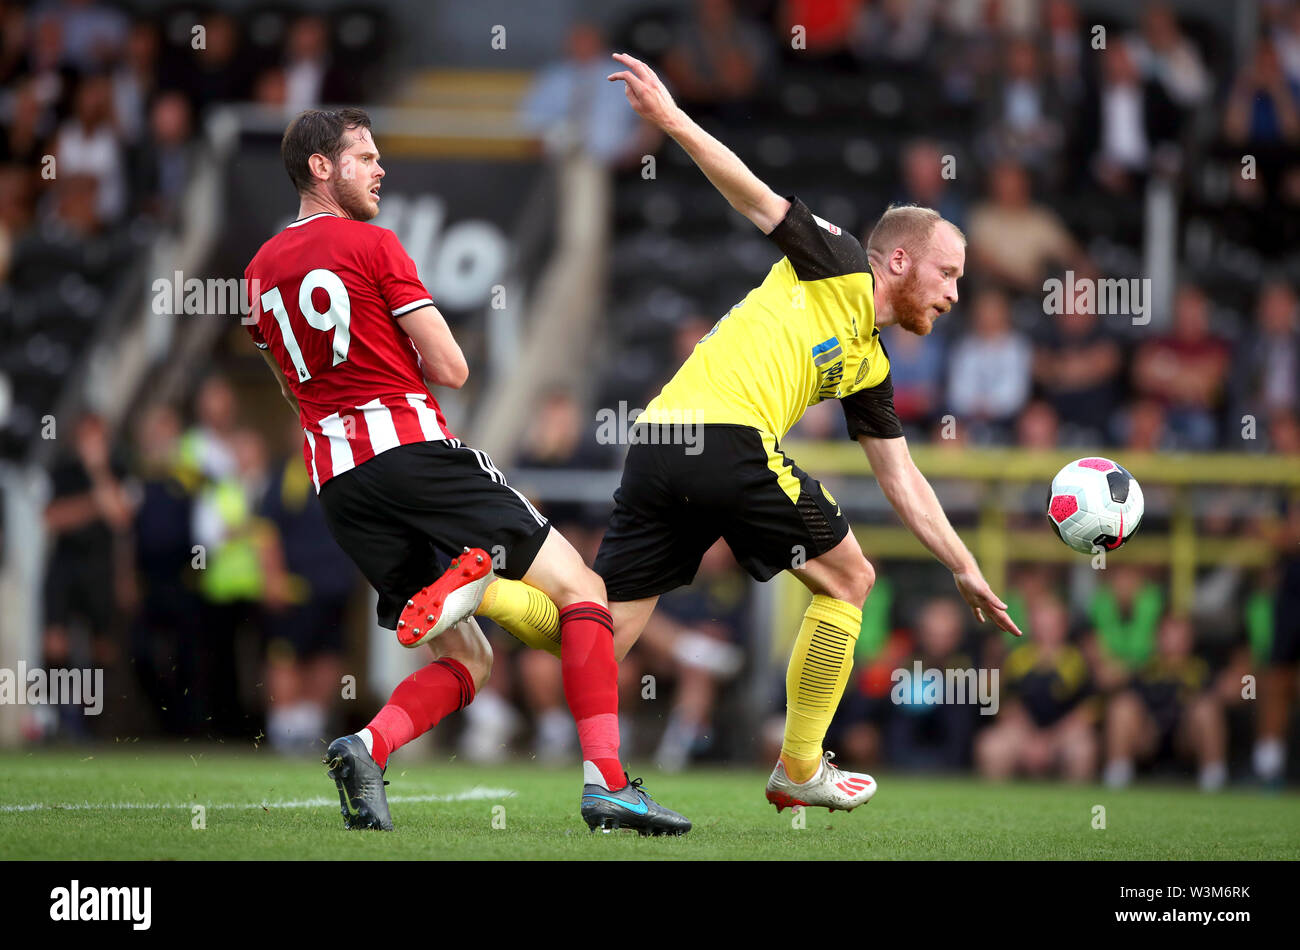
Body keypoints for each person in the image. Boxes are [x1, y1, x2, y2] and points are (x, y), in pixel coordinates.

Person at [242, 108, 687, 835]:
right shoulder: (374, 244)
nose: (381, 168)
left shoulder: (258, 273)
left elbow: (295, 389)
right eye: (364, 156)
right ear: (320, 167)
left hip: (341, 483)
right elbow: (452, 367)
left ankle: (366, 745)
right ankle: (606, 781)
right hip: (411, 450)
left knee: (470, 662)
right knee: (585, 591)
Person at [599, 53, 1021, 814]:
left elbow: (904, 480)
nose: (956, 294)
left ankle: (485, 595)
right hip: (723, 437)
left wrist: (963, 567)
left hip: (658, 441)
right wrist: (670, 119)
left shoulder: (868, 364)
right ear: (899, 259)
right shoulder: (841, 264)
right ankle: (798, 766)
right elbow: (751, 193)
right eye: (948, 274)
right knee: (852, 579)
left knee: (603, 628)